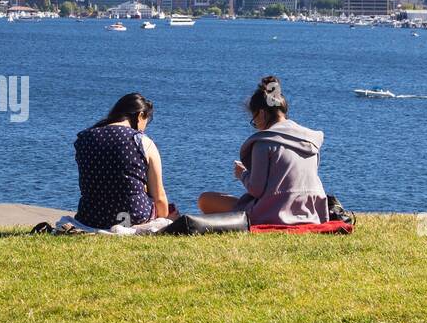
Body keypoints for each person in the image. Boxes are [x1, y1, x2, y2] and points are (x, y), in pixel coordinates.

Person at [198, 76, 330, 226]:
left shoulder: (264, 142)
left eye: (254, 121)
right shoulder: (310, 140)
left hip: (274, 213)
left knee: (205, 200)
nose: (256, 125)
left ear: (261, 113)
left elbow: (256, 189)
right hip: (310, 212)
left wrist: (242, 174)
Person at [74, 93, 173, 230]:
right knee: (170, 210)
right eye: (146, 121)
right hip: (131, 217)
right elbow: (159, 196)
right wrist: (165, 217)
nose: (144, 128)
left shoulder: (84, 138)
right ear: (140, 116)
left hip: (90, 218)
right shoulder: (142, 141)